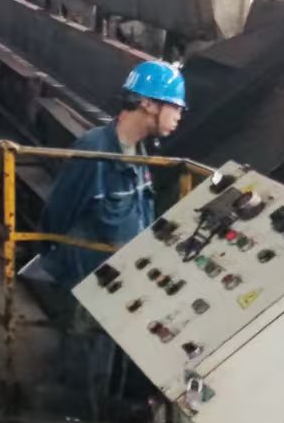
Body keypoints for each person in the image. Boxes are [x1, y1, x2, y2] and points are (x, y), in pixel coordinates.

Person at [39, 60, 187, 290]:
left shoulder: (140, 152)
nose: (179, 116)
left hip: (121, 279)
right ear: (148, 104)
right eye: (175, 107)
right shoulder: (94, 149)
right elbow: (57, 214)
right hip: (88, 282)